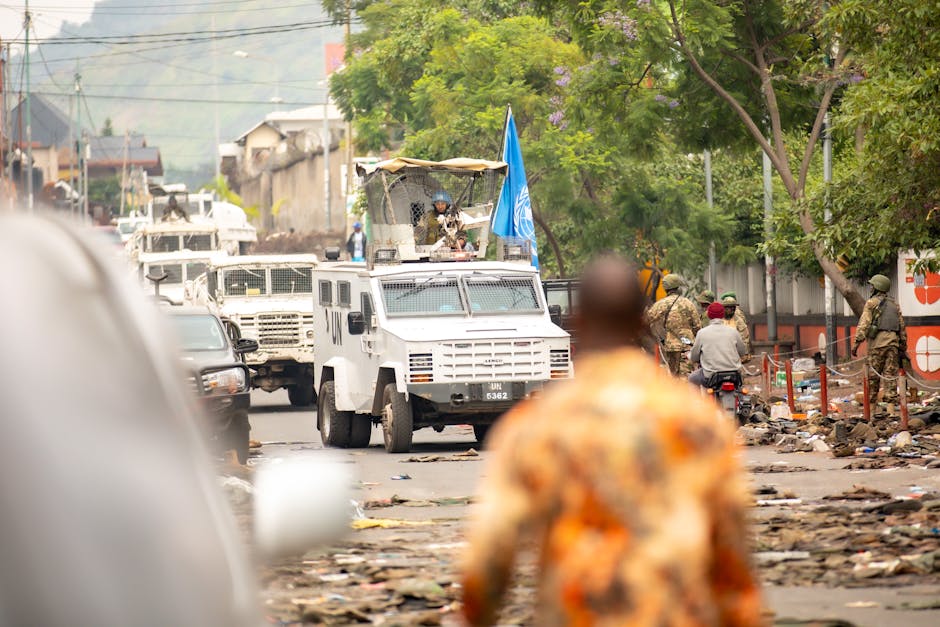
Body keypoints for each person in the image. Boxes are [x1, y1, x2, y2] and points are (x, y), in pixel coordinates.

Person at [461, 254, 762, 627]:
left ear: (579, 322)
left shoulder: (536, 426)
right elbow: (732, 560)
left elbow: (489, 556)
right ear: (638, 322)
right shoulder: (697, 425)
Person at [852, 273, 907, 412]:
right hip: (893, 345)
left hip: (877, 346)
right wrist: (903, 346)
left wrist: (856, 344)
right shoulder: (895, 305)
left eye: (872, 286)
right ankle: (891, 411)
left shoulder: (871, 303)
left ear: (877, 287)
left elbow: (864, 324)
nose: (871, 288)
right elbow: (901, 327)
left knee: (873, 378)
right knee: (890, 377)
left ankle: (871, 411)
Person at [645, 274, 701, 376]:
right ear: (678, 287)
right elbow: (697, 326)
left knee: (674, 376)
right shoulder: (688, 303)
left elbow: (646, 321)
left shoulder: (660, 304)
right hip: (687, 346)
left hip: (670, 347)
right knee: (685, 375)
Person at [689, 301, 747, 387]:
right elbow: (742, 352)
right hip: (734, 374)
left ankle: (697, 401)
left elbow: (694, 357)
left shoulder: (702, 333)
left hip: (711, 376)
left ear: (708, 315)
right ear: (722, 314)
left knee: (692, 378)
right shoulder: (733, 332)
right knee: (741, 389)